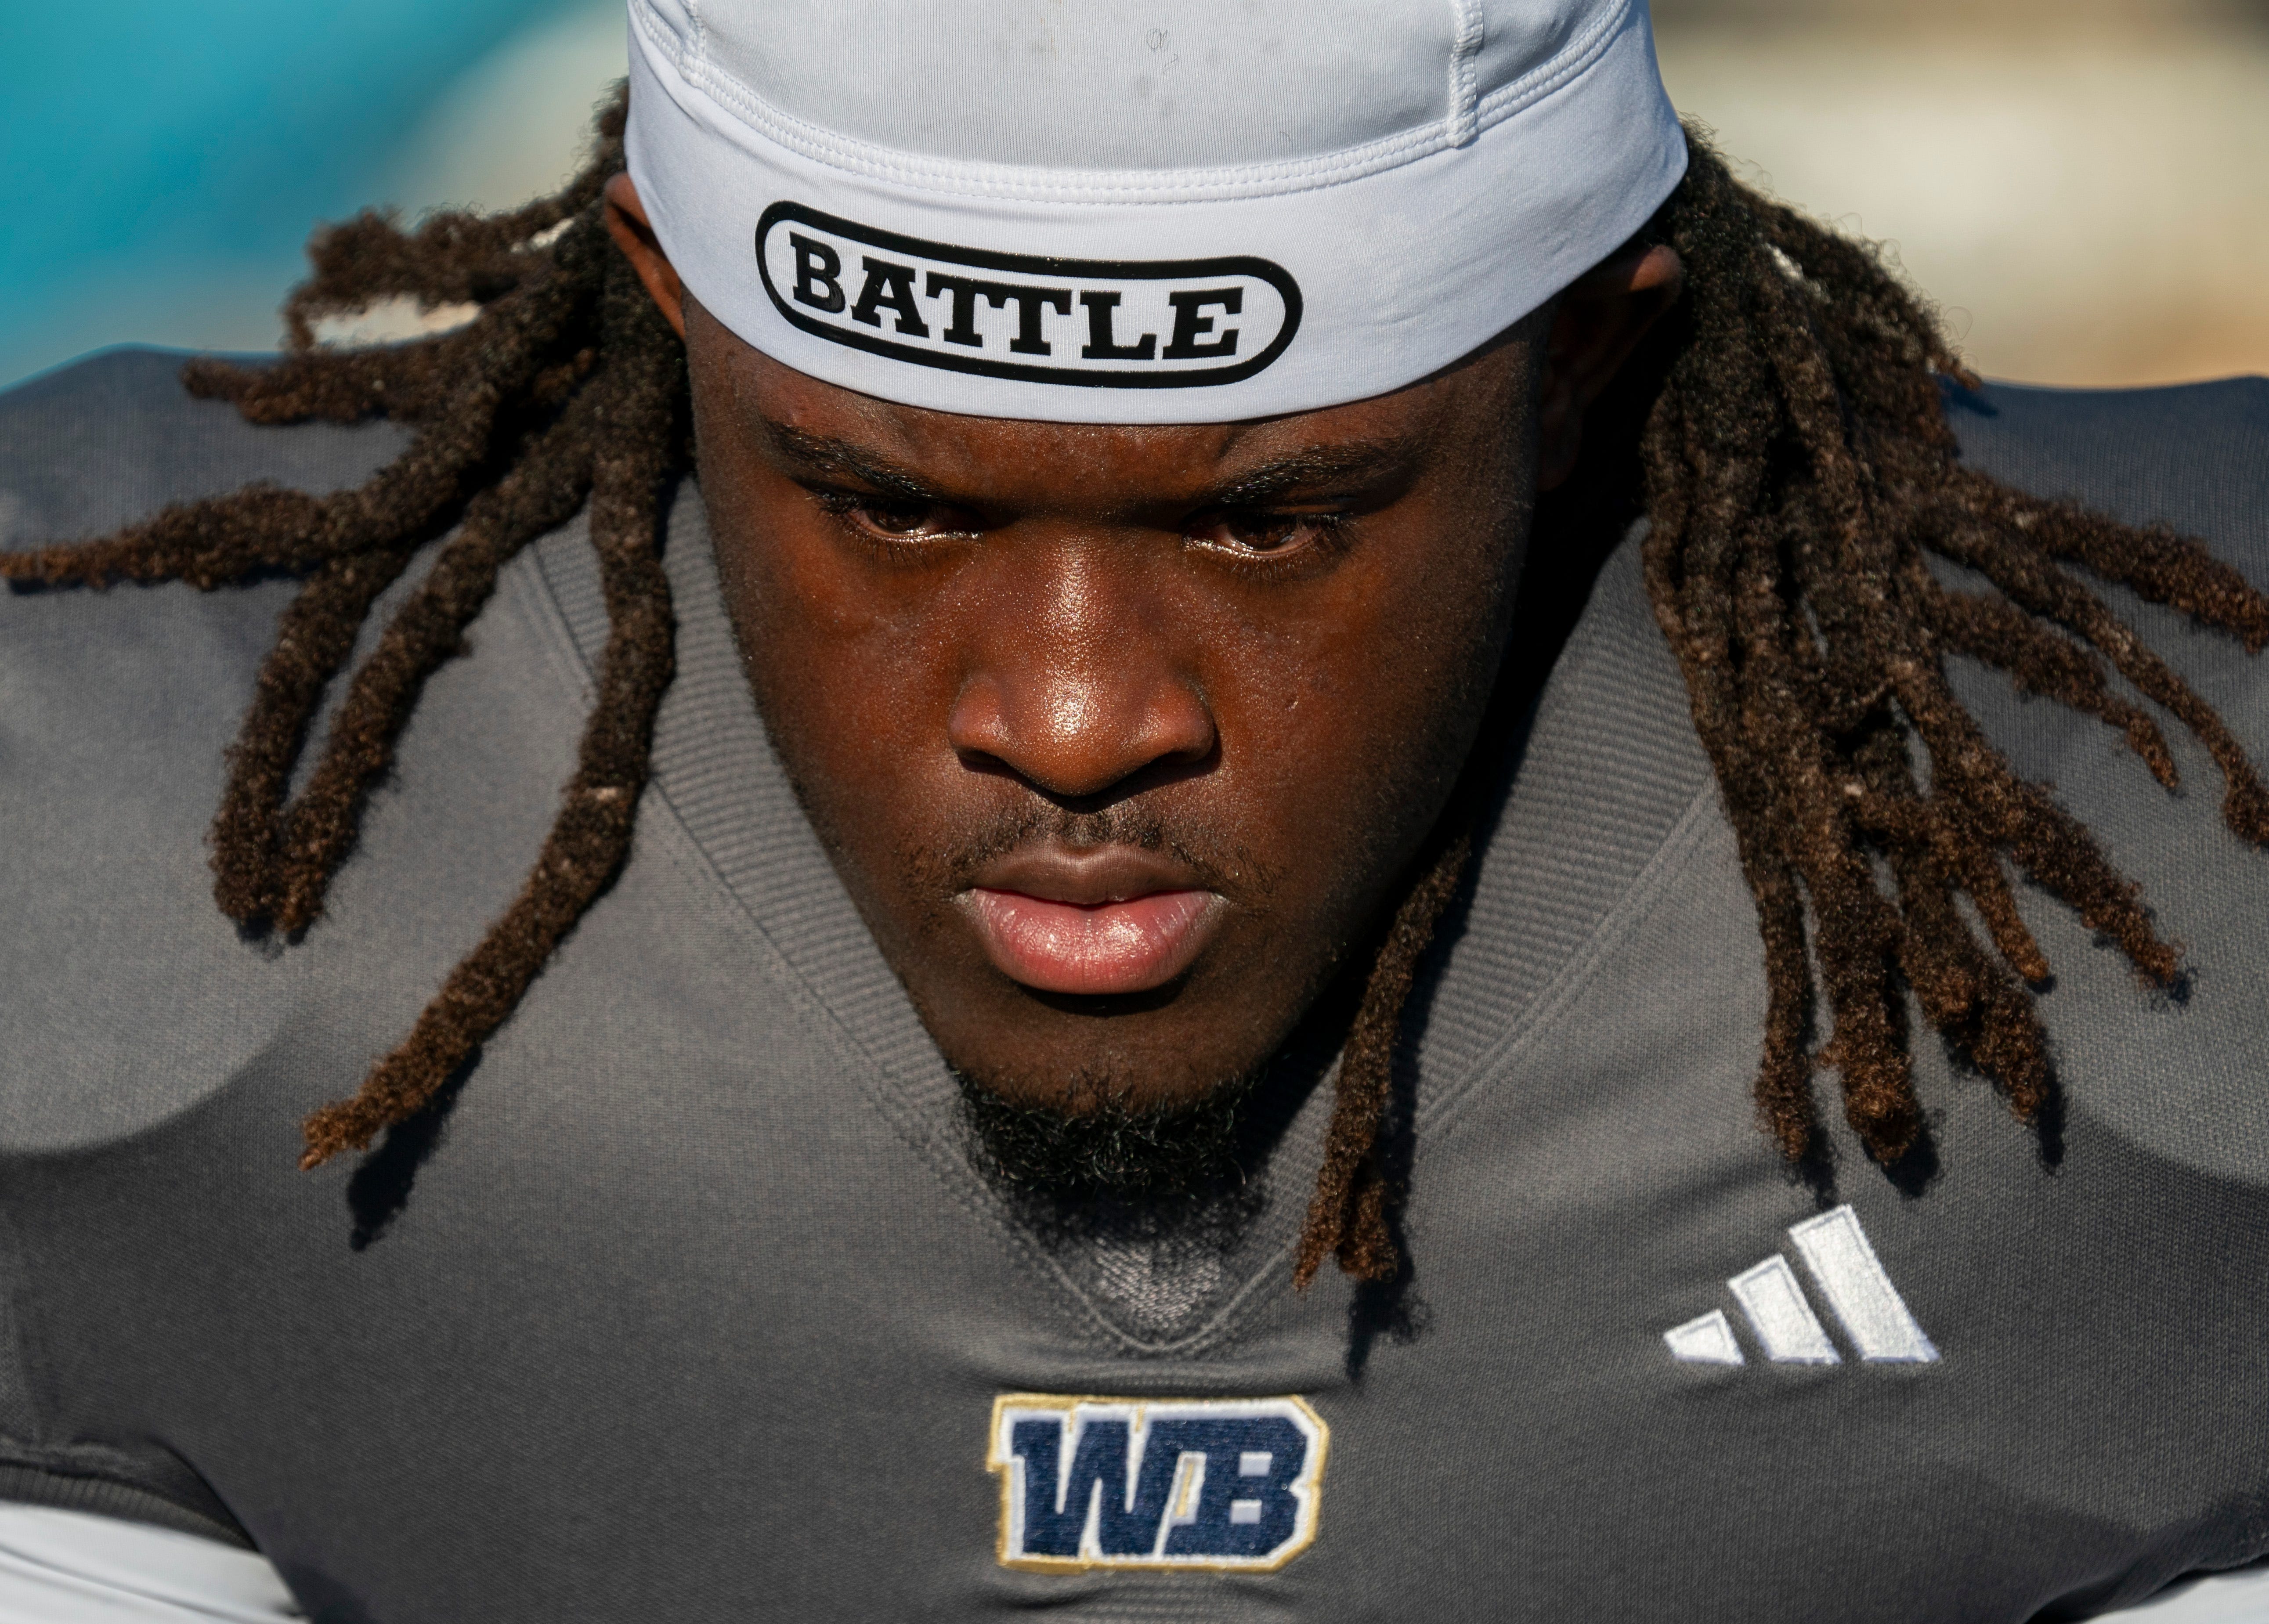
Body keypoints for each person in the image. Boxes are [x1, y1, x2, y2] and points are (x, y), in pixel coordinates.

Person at [0, 0, 2265, 1617]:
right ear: (665, 324)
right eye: (886, 507)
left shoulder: (2187, 868)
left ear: (1586, 370)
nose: (1076, 719)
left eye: (1273, 525)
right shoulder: (115, 830)